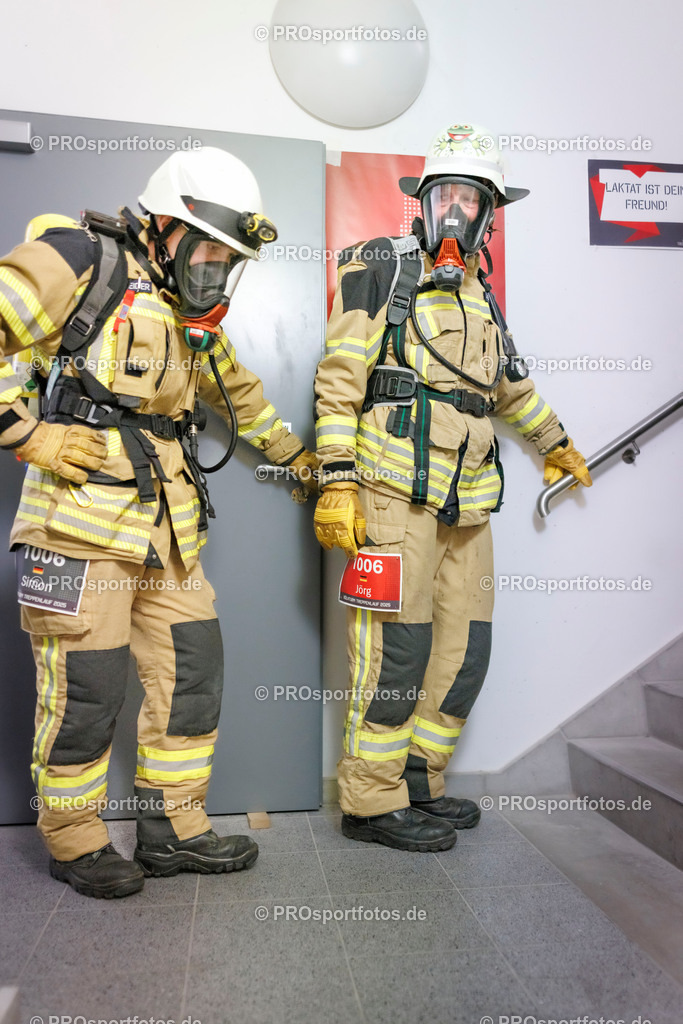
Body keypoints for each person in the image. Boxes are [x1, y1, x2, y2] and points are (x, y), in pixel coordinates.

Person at [0, 147, 317, 897]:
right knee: (86, 690)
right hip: (74, 531)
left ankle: (172, 831)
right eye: (206, 248)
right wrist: (26, 433)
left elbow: (242, 400)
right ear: (165, 226)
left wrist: (303, 467)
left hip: (167, 535)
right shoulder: (80, 260)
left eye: (226, 257)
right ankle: (75, 840)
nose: (213, 267)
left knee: (193, 675)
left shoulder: (186, 312)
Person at [313, 122, 591, 853]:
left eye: (475, 200)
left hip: (468, 499)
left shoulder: (481, 296)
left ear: (489, 213)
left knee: (467, 648)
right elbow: (338, 382)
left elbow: (509, 389)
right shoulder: (381, 268)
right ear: (425, 201)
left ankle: (416, 780)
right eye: (449, 196)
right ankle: (368, 803)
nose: (459, 213)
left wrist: (555, 443)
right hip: (390, 497)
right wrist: (336, 482)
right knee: (395, 652)